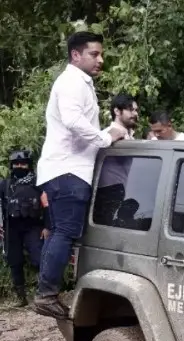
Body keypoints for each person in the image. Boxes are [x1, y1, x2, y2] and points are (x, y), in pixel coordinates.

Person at [34, 31, 127, 318]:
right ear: (76, 55)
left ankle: (46, 291)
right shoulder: (72, 81)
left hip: (66, 169)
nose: (100, 60)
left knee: (60, 231)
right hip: (69, 170)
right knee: (66, 231)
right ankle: (46, 294)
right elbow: (74, 121)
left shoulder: (78, 82)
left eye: (101, 54)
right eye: (94, 54)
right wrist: (105, 136)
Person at [0, 150, 47, 307]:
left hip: (33, 226)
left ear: (29, 165)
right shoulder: (5, 185)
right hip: (11, 228)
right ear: (12, 165)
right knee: (15, 261)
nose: (20, 166)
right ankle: (21, 298)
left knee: (39, 258)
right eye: (17, 164)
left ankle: (45, 295)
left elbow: (47, 206)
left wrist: (48, 227)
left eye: (23, 163)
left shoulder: (38, 183)